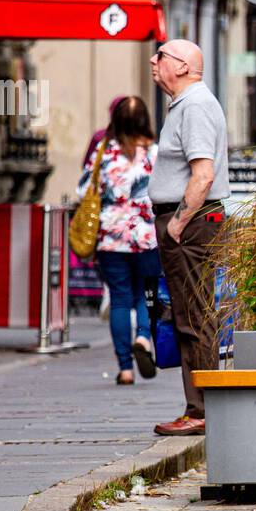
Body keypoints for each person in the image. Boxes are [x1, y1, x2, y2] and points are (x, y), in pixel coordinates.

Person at [146, 39, 230, 437]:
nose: (153, 60)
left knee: (193, 316)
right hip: (193, 221)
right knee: (189, 314)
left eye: (160, 55)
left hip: (192, 223)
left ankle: (201, 409)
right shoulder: (187, 104)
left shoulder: (194, 105)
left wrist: (177, 223)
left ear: (180, 66)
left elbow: (203, 174)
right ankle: (198, 406)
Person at [76, 96, 160, 385]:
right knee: (146, 296)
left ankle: (125, 369)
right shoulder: (154, 154)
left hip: (110, 239)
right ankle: (144, 338)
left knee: (120, 299)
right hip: (146, 237)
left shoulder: (103, 152)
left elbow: (83, 189)